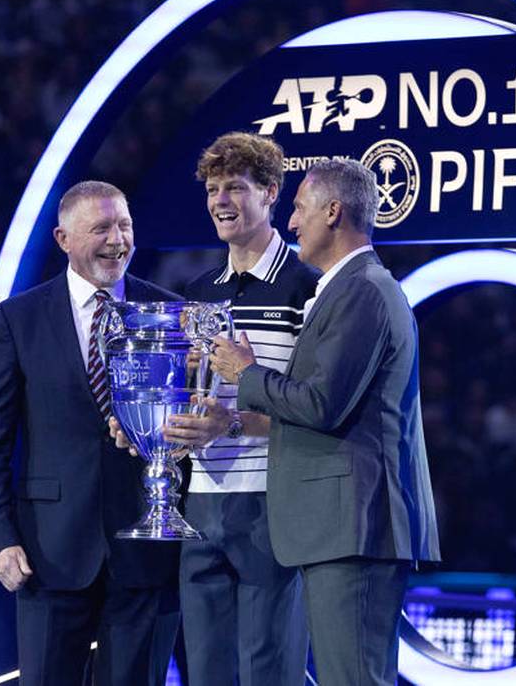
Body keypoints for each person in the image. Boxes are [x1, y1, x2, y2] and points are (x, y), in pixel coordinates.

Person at [209, 159, 441, 686]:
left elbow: (319, 404)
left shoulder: (363, 290)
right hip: (341, 527)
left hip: (355, 527)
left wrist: (247, 373)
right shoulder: (348, 289)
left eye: (298, 208)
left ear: (333, 212)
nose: (291, 223)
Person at [113, 132, 315, 685]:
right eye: (212, 189)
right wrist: (152, 427)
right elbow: (192, 395)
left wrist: (237, 423)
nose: (220, 201)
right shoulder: (199, 291)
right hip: (200, 504)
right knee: (205, 671)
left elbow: (318, 411)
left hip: (273, 502)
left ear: (271, 192)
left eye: (235, 187)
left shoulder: (308, 289)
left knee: (267, 668)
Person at [0, 181, 181, 685]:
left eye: (125, 226)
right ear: (63, 238)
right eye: (102, 228)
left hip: (146, 550)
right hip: (50, 551)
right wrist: (1, 540)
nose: (118, 240)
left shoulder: (170, 314)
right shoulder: (17, 319)